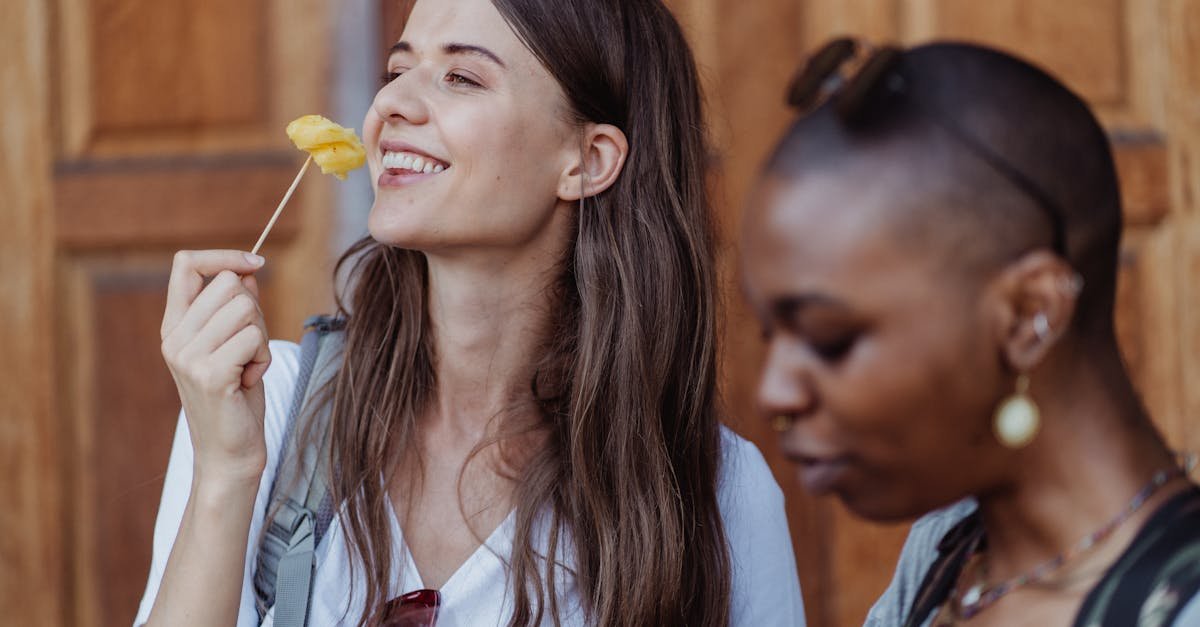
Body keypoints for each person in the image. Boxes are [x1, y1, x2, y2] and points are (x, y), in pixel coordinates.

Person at [134, 0, 806, 626]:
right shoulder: (265, 404)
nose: (390, 103)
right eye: (397, 70)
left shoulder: (721, 494)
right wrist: (226, 471)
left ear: (587, 160)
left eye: (460, 77)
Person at [739, 39, 1200, 626]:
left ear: (1030, 314)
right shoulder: (944, 559)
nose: (775, 392)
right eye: (770, 335)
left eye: (829, 339)